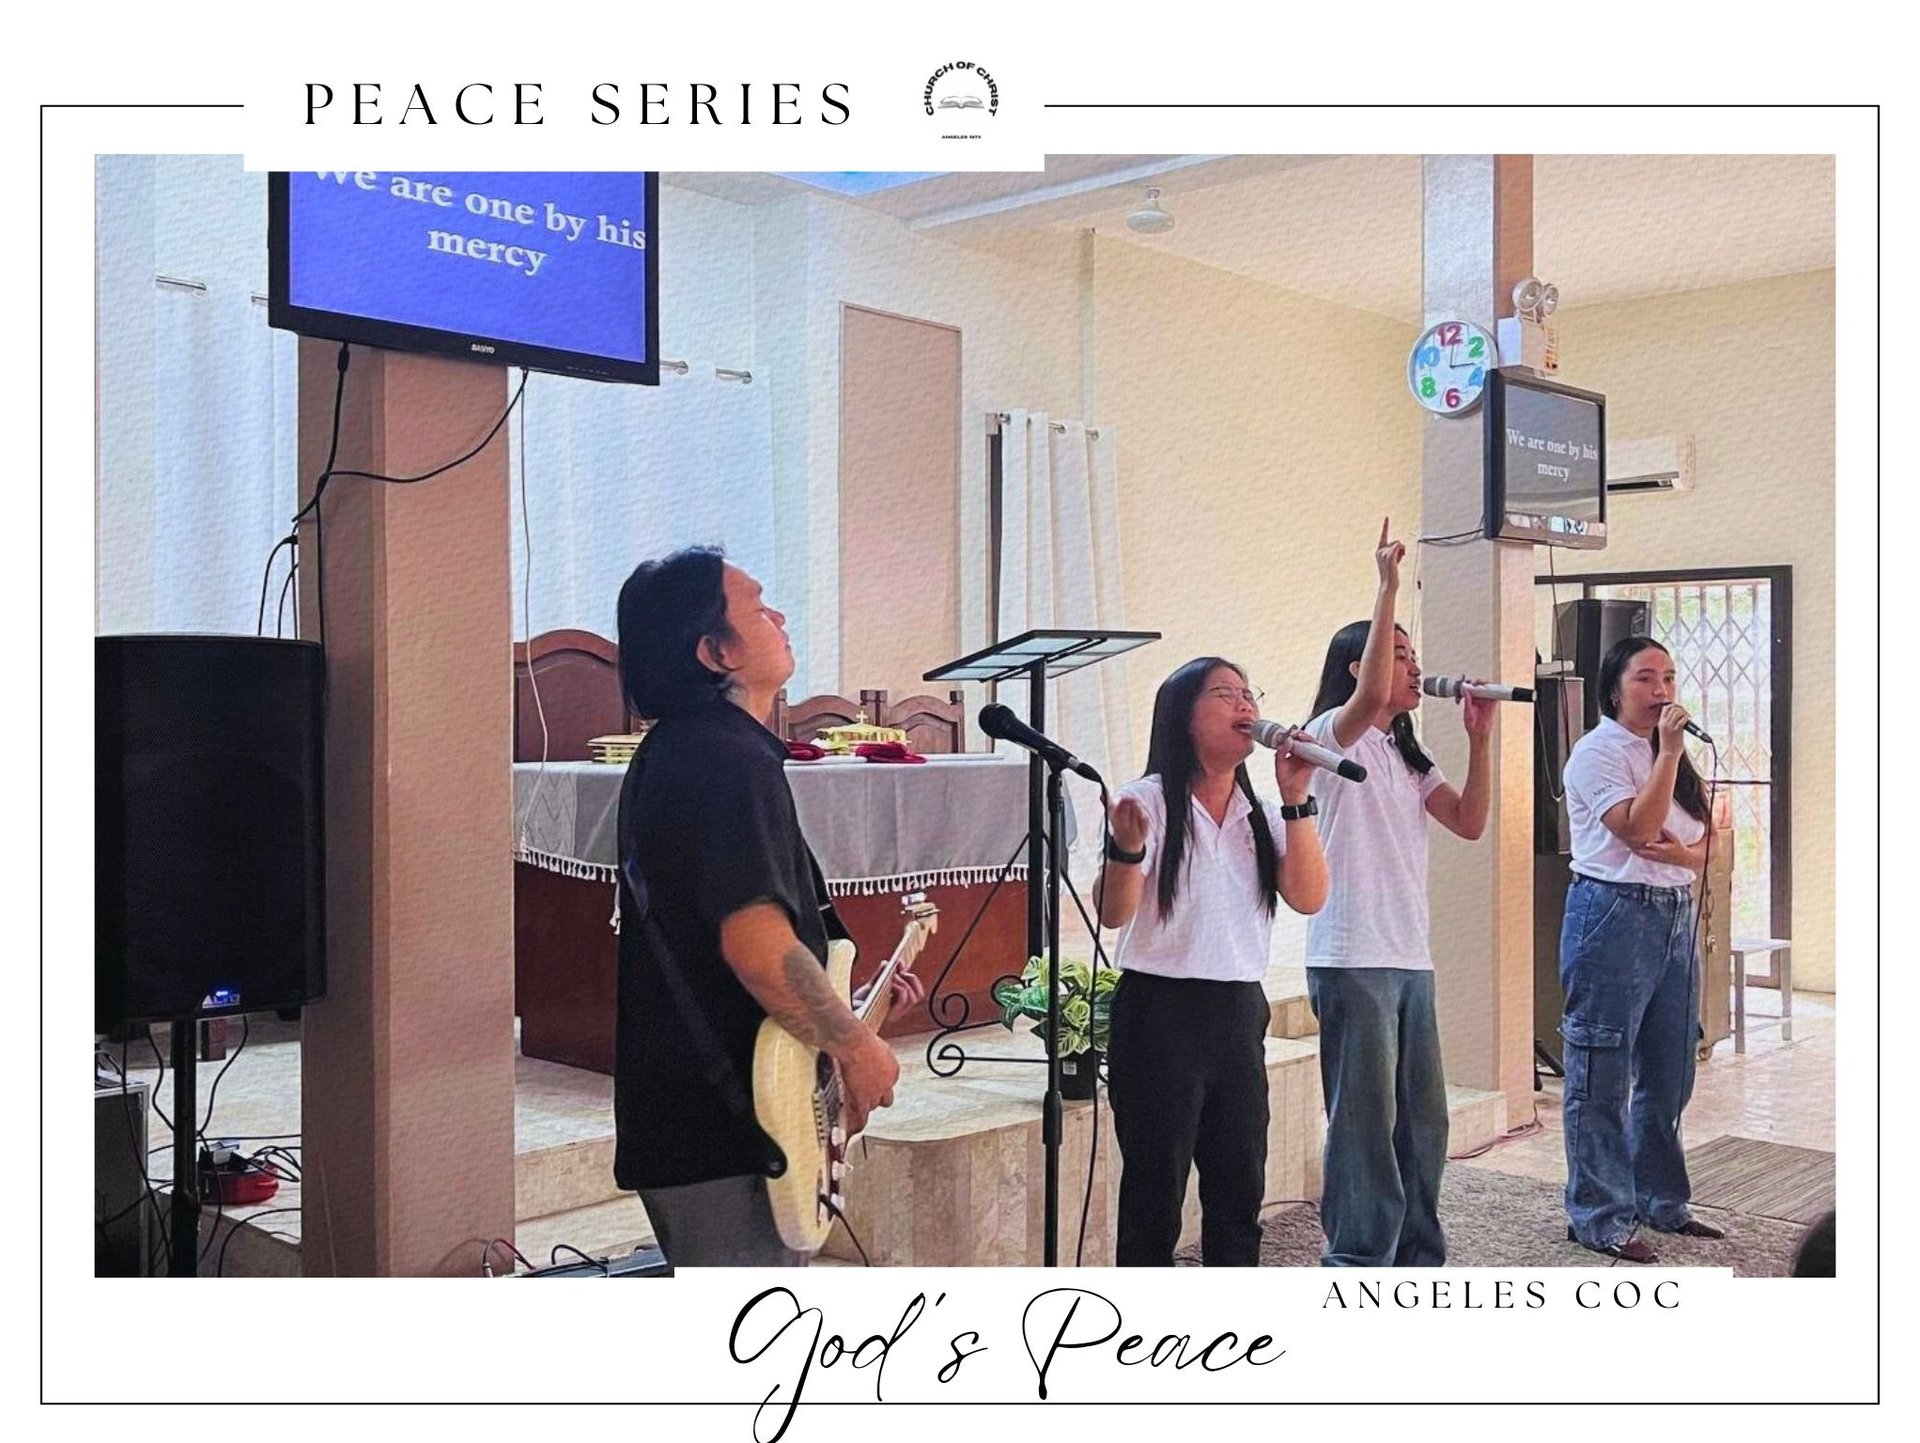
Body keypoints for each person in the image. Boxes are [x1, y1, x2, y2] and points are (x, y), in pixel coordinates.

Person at [610, 546, 919, 1266]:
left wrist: (847, 1012)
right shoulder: (721, 760)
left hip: (714, 1114)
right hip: (723, 1128)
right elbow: (756, 946)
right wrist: (856, 1045)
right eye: (756, 606)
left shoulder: (692, 750)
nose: (778, 616)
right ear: (715, 651)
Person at [1301, 518, 1494, 1266]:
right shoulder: (1329, 734)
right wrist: (1386, 586)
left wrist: (1480, 738)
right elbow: (1371, 694)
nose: (1414, 670)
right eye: (1401, 656)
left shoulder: (1409, 752)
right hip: (1353, 955)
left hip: (1410, 956)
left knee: (1424, 1121)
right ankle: (1357, 1259)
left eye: (1415, 657)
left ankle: (1417, 1256)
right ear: (1360, 669)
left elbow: (1469, 822)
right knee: (1364, 1122)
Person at [1095, 656, 1329, 1266]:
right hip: (1160, 1013)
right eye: (1225, 694)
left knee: (1238, 1189)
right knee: (1154, 1196)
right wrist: (1126, 849)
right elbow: (1113, 913)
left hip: (1237, 1012)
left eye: (1249, 694)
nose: (1246, 706)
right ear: (1183, 717)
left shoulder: (1261, 811)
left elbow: (1309, 897)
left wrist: (1296, 797)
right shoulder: (1145, 800)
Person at [1557, 635, 1724, 1262]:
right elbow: (1637, 830)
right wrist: (1670, 753)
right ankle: (1598, 1215)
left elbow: (1713, 842)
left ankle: (1660, 1199)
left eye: (1669, 678)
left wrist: (1684, 855)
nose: (1661, 690)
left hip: (1675, 914)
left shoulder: (1670, 755)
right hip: (1613, 912)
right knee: (1600, 1070)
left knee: (1671, 1065)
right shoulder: (1596, 753)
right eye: (1645, 678)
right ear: (1614, 690)